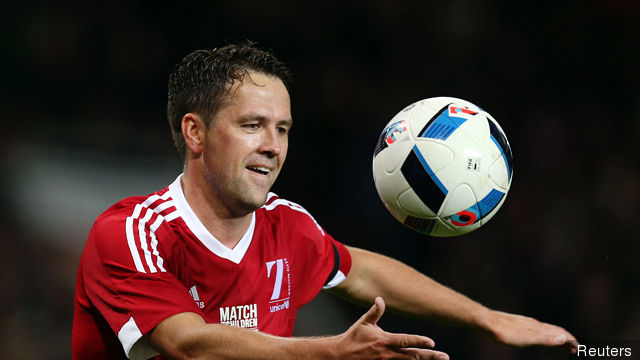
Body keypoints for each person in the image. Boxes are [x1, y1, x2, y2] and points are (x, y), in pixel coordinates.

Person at [72, 42, 578, 360]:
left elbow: (362, 272)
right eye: (252, 126)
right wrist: (329, 352)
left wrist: (484, 317)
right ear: (196, 132)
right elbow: (189, 344)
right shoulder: (134, 235)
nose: (273, 145)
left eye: (282, 129)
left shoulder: (287, 226)